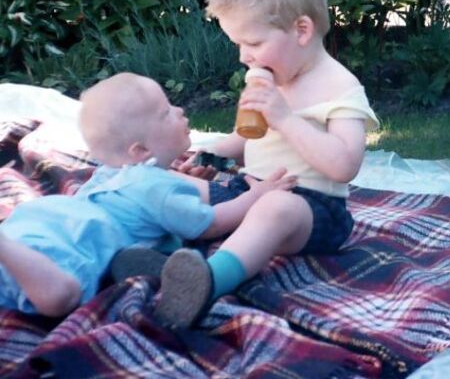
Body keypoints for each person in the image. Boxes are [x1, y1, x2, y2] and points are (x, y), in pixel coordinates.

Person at [152, 0, 379, 328]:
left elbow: (344, 165)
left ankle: (208, 281)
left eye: (254, 44)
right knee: (167, 183)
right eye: (238, 44)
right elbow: (249, 140)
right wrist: (210, 156)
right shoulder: (274, 78)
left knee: (273, 209)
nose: (244, 56)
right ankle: (159, 255)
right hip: (250, 188)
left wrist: (285, 118)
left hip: (309, 208)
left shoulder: (340, 88)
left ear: (301, 30)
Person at [0, 73, 295, 317]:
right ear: (140, 150)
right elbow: (213, 223)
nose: (179, 111)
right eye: (166, 112)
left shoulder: (112, 173)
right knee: (62, 296)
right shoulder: (156, 189)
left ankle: (147, 265)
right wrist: (257, 195)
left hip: (38, 222)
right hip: (78, 238)